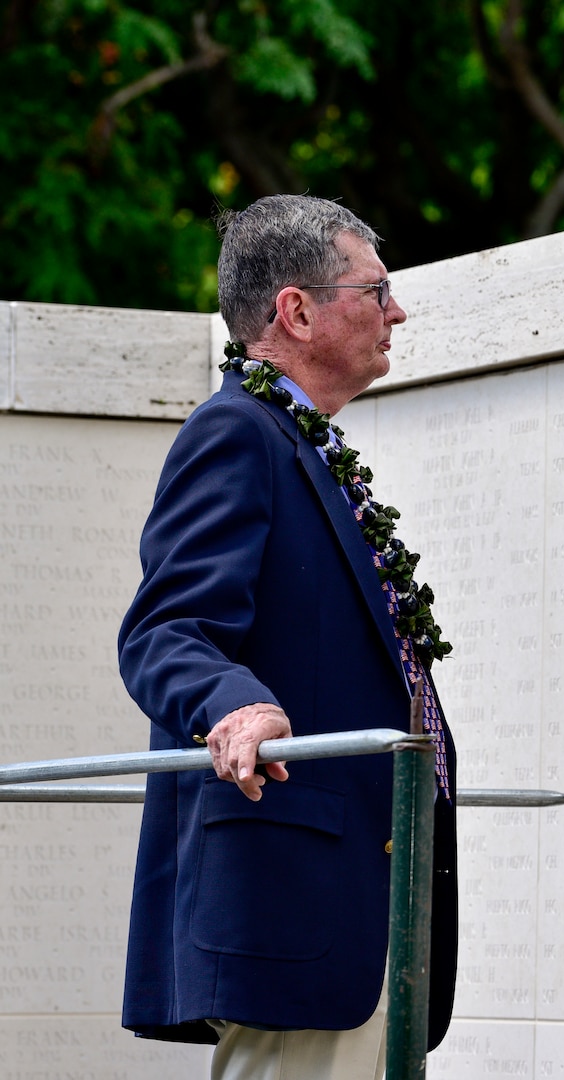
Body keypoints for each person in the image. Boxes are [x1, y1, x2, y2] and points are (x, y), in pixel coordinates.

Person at [118, 194, 457, 1080]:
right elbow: (165, 630)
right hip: (292, 906)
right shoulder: (234, 432)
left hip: (357, 906)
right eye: (374, 290)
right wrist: (236, 706)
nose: (398, 311)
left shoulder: (302, 443)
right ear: (296, 311)